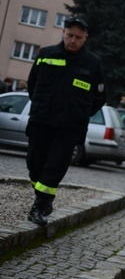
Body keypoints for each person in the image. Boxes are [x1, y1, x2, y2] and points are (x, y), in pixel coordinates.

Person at [25, 17, 106, 226]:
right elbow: (32, 84)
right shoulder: (46, 54)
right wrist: (41, 106)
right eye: (70, 35)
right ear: (63, 32)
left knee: (55, 166)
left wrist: (80, 114)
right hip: (41, 121)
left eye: (78, 37)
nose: (73, 40)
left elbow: (99, 97)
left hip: (69, 127)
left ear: (85, 38)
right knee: (34, 163)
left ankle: (39, 205)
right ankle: (45, 197)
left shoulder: (93, 63)